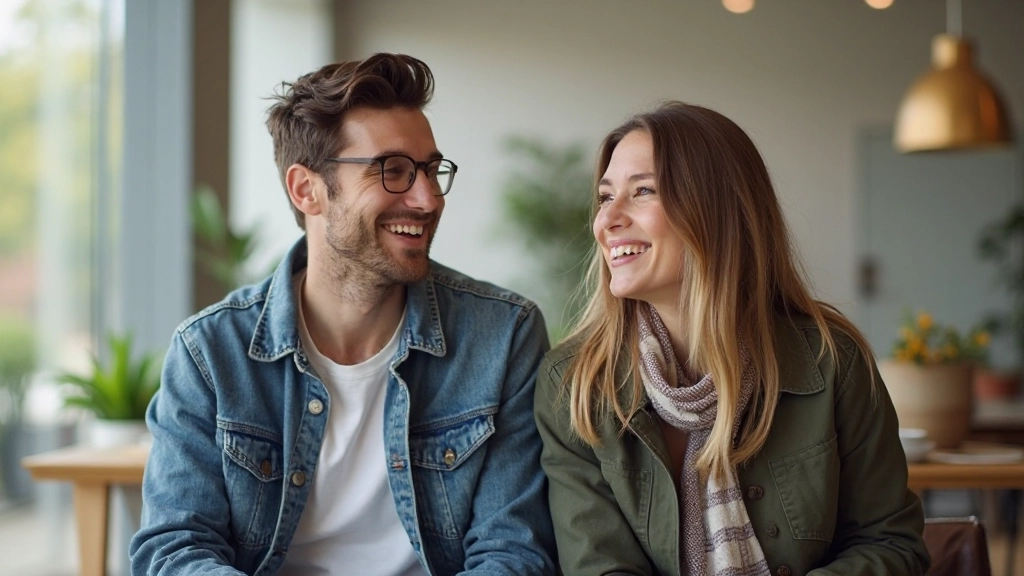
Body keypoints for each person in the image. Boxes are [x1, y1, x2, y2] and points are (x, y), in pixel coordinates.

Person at [130, 53, 556, 576]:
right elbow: (175, 550)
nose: (427, 199)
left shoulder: (503, 336)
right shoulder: (210, 352)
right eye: (393, 171)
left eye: (429, 170)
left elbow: (514, 553)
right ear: (306, 189)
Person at [534, 102, 930, 576]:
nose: (607, 220)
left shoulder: (831, 360)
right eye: (604, 197)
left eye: (643, 191)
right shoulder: (574, 385)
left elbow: (891, 543)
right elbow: (599, 568)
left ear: (717, 210)